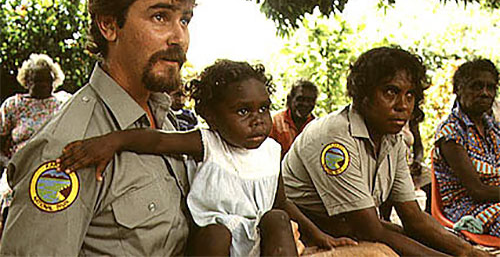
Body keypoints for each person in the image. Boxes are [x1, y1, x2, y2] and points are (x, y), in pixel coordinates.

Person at [0, 0, 197, 255]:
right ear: (108, 25)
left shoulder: (163, 118)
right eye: (160, 16)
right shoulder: (68, 147)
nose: (178, 37)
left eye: (184, 19)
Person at [57, 59, 356, 256]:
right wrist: (114, 141)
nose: (257, 120)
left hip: (256, 242)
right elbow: (156, 140)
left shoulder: (271, 151)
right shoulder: (207, 143)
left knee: (277, 218)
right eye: (243, 111)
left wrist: (319, 235)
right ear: (210, 116)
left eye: (264, 108)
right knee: (217, 232)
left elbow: (282, 203)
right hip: (211, 243)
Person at [282, 47, 489, 256]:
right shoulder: (335, 137)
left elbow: (413, 218)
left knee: (413, 236)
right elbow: (372, 230)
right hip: (303, 237)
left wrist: (467, 252)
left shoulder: (393, 139)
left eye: (410, 95)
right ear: (364, 95)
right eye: (391, 92)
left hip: (344, 229)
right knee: (381, 253)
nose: (403, 105)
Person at [0, 53, 71, 233]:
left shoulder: (64, 103)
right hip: (18, 172)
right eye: (35, 80)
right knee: (10, 210)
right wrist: (8, 164)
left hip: (55, 171)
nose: (40, 85)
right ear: (26, 80)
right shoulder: (13, 106)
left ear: (53, 81)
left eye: (45, 80)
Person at [434, 59, 500, 237]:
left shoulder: (494, 129)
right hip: (468, 209)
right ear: (458, 90)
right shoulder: (451, 132)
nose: (485, 93)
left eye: (490, 87)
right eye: (476, 87)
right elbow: (477, 191)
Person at [379, 107, 432, 220]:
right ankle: (385, 217)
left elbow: (418, 147)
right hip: (390, 164)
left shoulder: (411, 123)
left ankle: (430, 213)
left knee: (430, 179)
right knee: (389, 183)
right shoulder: (386, 122)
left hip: (409, 164)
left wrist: (417, 161)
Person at [270, 80, 318, 157]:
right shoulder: (274, 122)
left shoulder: (317, 127)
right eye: (300, 99)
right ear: (290, 99)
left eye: (310, 100)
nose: (305, 104)